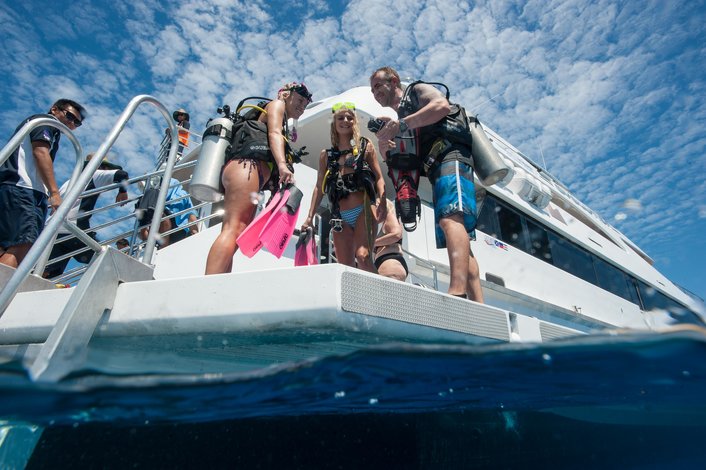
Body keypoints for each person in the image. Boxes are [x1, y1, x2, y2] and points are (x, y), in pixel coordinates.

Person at [369, 66, 483, 302]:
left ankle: (456, 293)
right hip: (434, 168)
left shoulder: (416, 91)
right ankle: (478, 304)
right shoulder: (403, 119)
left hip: (451, 156)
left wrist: (400, 125)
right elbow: (400, 159)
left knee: (450, 219)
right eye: (372, 90)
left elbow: (441, 106)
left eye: (378, 85)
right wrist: (385, 144)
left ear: (394, 81)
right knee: (455, 232)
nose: (375, 92)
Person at [205, 82, 312, 274]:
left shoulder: (281, 115)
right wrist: (281, 164)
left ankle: (218, 283)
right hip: (246, 167)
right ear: (285, 94)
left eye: (306, 103)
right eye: (300, 99)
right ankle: (208, 286)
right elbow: (274, 133)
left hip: (249, 171)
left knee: (236, 231)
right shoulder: (277, 105)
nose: (303, 105)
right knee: (233, 229)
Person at [0, 98, 86, 269]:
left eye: (77, 123)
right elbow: (40, 152)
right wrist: (54, 193)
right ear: (54, 109)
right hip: (24, 189)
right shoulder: (46, 122)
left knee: (4, 245)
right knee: (23, 246)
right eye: (69, 116)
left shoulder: (49, 129)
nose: (71, 123)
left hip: (11, 188)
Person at [301, 102, 386, 272]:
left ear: (354, 122)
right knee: (345, 267)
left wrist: (382, 201)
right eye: (340, 118)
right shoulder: (326, 155)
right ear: (334, 122)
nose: (345, 121)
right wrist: (309, 217)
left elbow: (379, 177)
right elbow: (319, 187)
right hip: (339, 217)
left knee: (363, 256)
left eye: (349, 117)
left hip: (364, 210)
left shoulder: (365, 146)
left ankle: (380, 290)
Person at [43, 153, 129, 278]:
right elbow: (122, 175)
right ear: (101, 166)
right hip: (73, 229)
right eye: (106, 168)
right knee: (104, 258)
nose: (107, 171)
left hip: (53, 229)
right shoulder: (95, 174)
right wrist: (122, 192)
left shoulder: (69, 182)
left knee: (48, 271)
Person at [137, 178, 198, 248]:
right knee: (153, 212)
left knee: (158, 214)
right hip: (158, 230)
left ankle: (162, 247)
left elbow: (191, 214)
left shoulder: (183, 194)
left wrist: (194, 233)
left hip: (179, 230)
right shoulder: (154, 196)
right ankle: (154, 246)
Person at [373, 199, 408, 282]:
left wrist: (373, 243)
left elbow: (397, 234)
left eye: (375, 207)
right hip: (388, 262)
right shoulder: (386, 222)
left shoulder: (390, 216)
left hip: (390, 262)